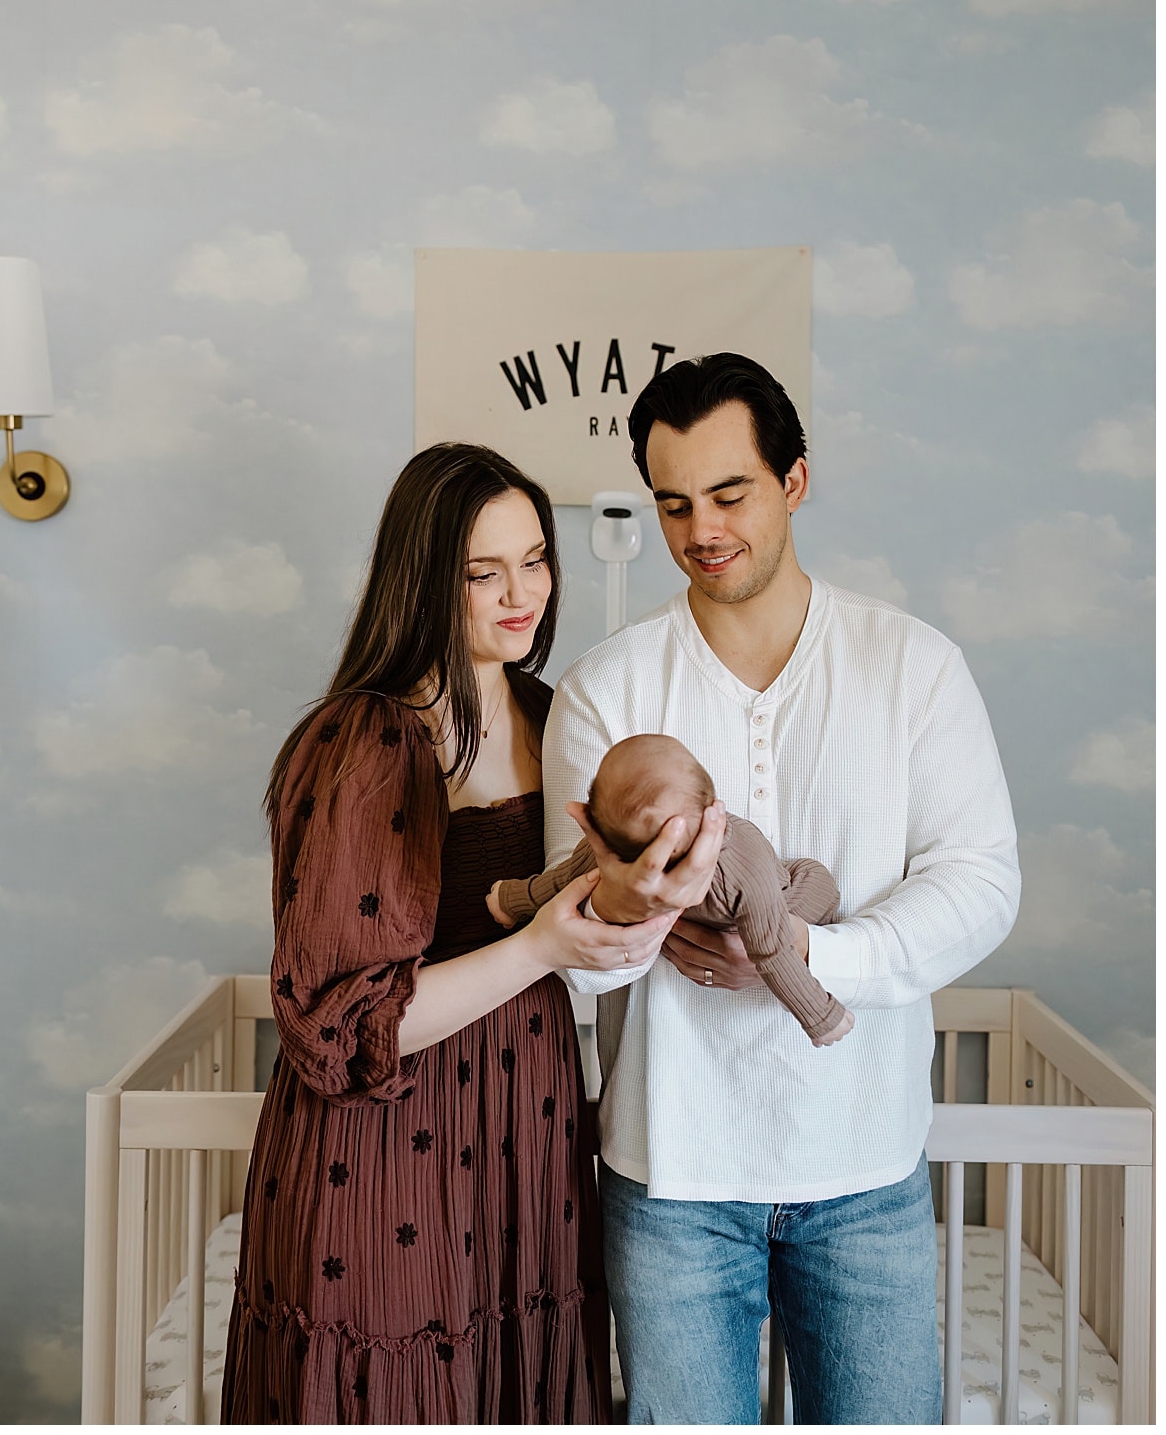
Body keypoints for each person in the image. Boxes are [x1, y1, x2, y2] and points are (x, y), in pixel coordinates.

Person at [541, 354, 1021, 1425]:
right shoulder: (608, 689)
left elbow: (982, 881)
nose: (701, 528)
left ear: (795, 481)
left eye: (729, 493)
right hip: (672, 1175)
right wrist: (641, 920)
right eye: (673, 503)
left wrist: (809, 954)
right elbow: (570, 941)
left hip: (866, 1168)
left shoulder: (913, 667)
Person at [221, 443, 677, 1425]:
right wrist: (543, 948)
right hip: (383, 1146)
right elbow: (339, 1031)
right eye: (483, 572)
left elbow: (581, 901)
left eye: (535, 559)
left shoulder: (559, 717)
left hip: (528, 1135)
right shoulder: (364, 741)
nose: (523, 594)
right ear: (424, 579)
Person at [487, 733, 852, 1046]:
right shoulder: (744, 862)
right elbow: (773, 950)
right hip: (771, 901)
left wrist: (508, 899)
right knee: (817, 880)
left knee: (573, 879)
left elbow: (556, 884)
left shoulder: (605, 859)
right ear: (713, 808)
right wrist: (822, 1017)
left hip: (705, 921)